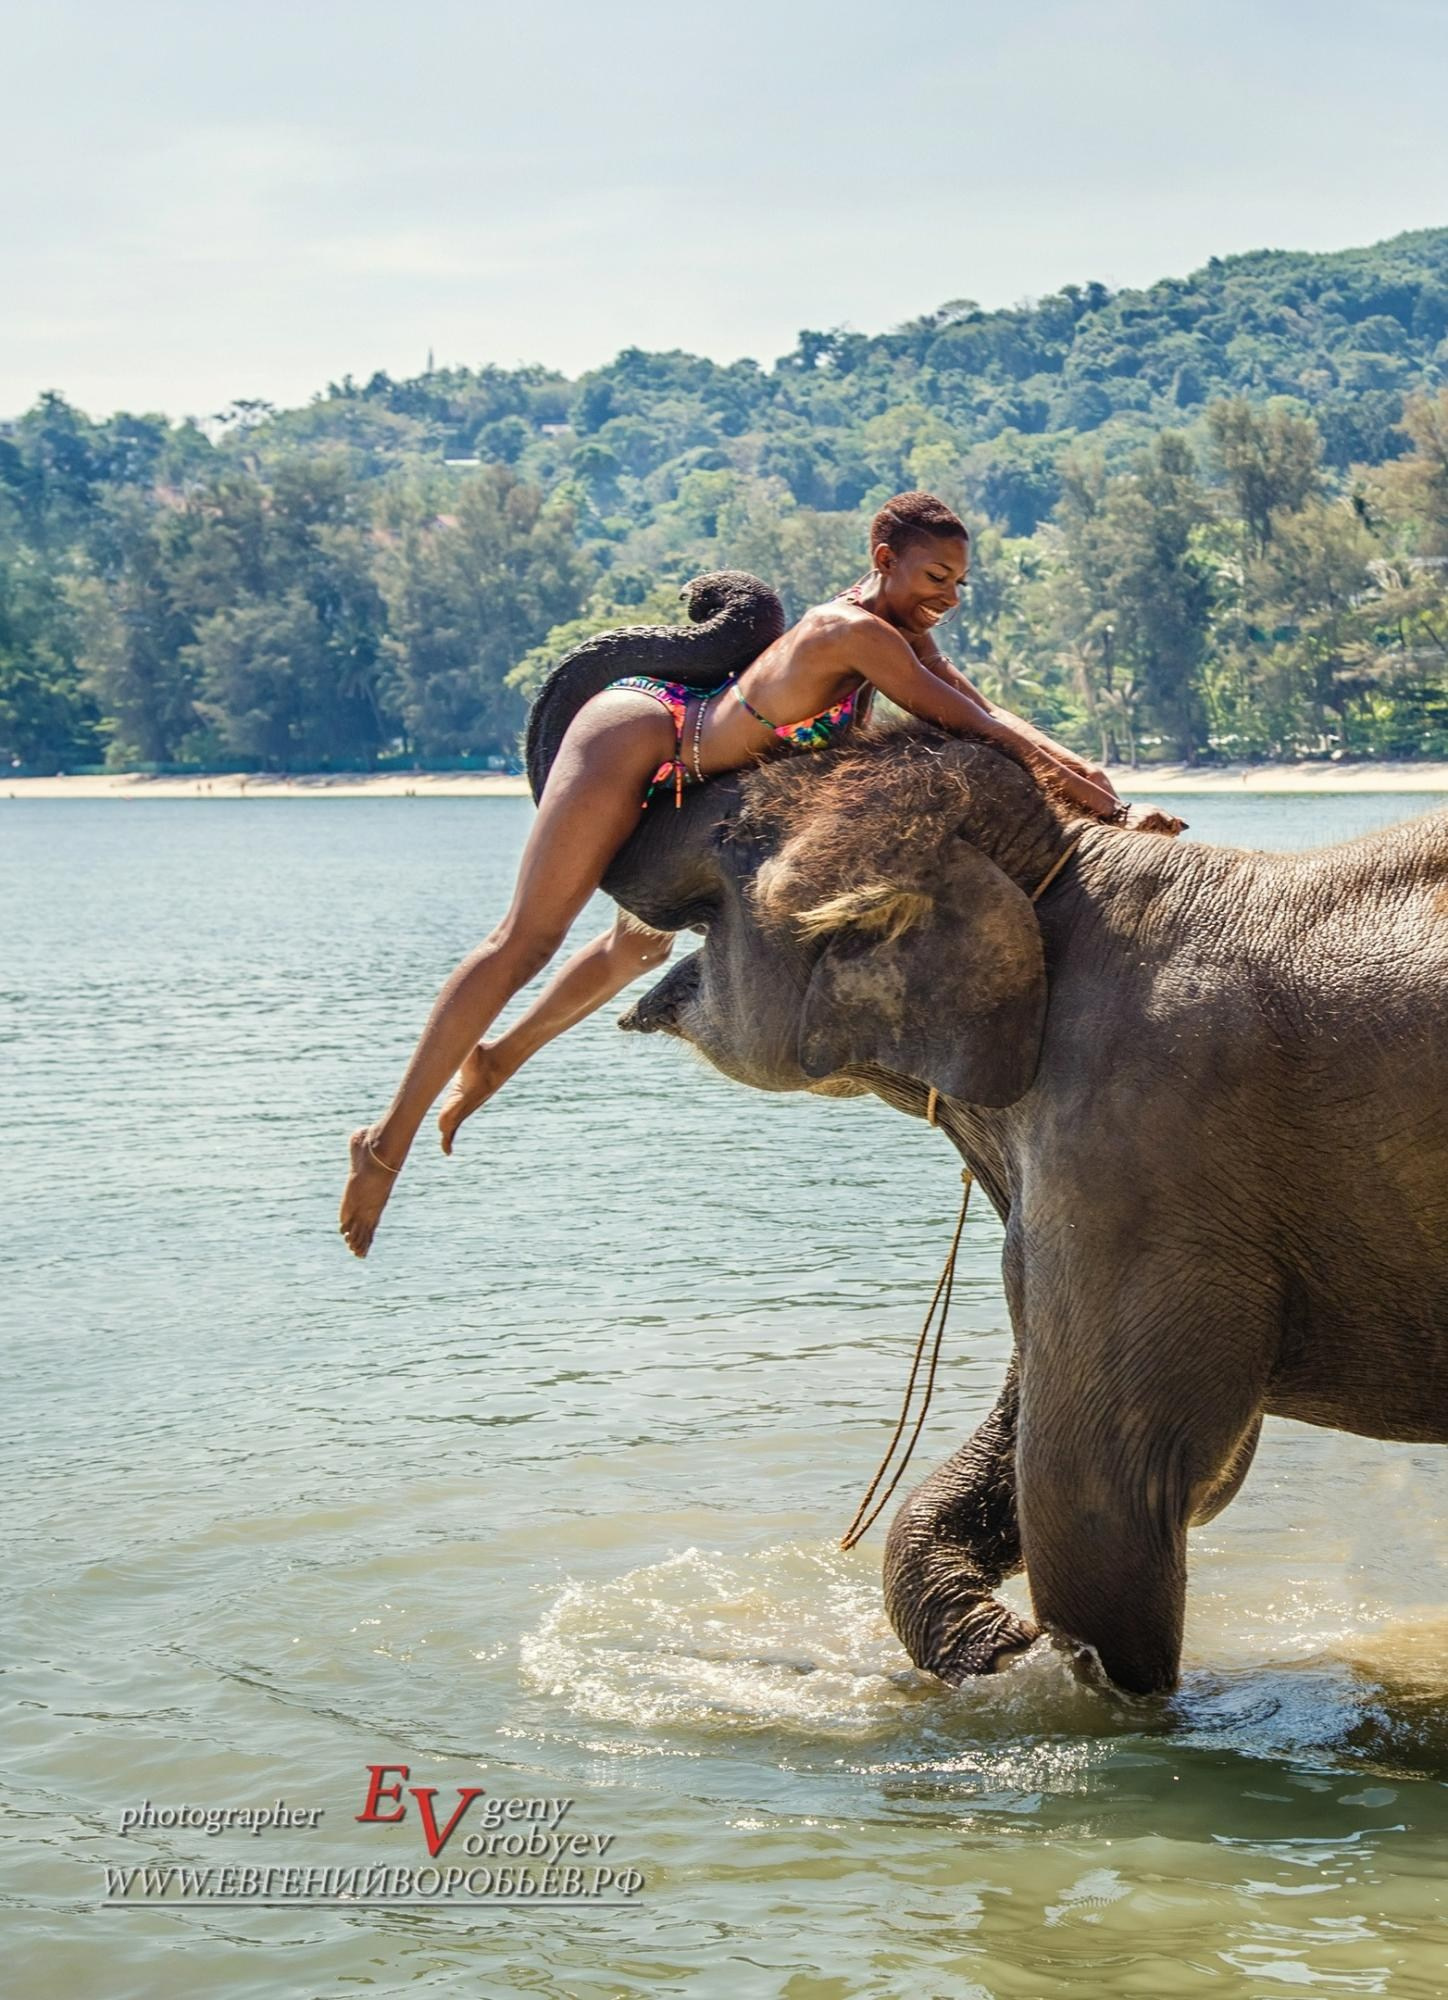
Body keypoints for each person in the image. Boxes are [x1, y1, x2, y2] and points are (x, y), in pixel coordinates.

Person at [339, 491, 1180, 1257]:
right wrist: (1106, 811)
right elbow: (966, 722)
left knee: (636, 951)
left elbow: (996, 714)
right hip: (644, 737)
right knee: (525, 939)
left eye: (959, 582)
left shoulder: (903, 638)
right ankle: (385, 1140)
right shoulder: (847, 633)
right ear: (882, 558)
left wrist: (1111, 795)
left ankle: (497, 1059)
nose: (947, 596)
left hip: (712, 787)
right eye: (934, 575)